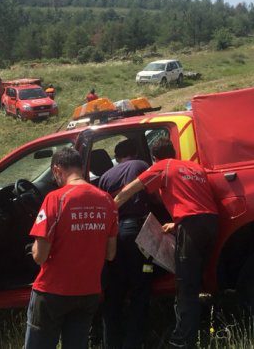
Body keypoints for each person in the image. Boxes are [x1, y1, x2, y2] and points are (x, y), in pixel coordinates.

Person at [114, 137, 218, 348]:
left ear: (154, 157)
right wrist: (177, 224)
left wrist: (109, 209)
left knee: (185, 284)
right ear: (174, 152)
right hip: (211, 223)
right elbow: (194, 201)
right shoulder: (193, 167)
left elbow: (129, 190)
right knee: (197, 278)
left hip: (192, 227)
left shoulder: (162, 166)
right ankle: (204, 323)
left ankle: (182, 340)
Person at [25, 147, 118, 349]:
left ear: (57, 170)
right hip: (88, 292)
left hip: (52, 291)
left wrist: (33, 248)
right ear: (81, 168)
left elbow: (40, 256)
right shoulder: (107, 201)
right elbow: (110, 254)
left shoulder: (55, 199)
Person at [98, 140, 153, 349]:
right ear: (135, 152)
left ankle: (111, 342)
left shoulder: (105, 177)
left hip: (116, 234)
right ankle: (133, 342)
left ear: (117, 157)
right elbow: (155, 195)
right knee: (141, 285)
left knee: (115, 290)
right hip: (138, 233)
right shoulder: (141, 165)